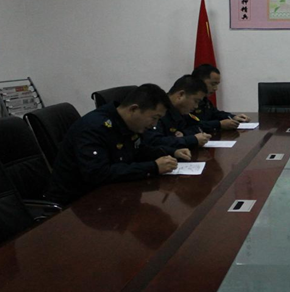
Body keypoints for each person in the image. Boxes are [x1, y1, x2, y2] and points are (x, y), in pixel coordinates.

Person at [45, 84, 192, 205]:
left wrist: (171, 152)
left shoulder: (127, 123)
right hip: (75, 204)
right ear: (133, 109)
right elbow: (98, 174)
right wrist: (153, 167)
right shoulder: (94, 128)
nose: (155, 124)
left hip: (109, 193)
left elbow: (137, 150)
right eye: (154, 118)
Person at [144, 75, 212, 149]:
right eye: (196, 101)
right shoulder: (157, 110)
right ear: (181, 95)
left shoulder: (181, 110)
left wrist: (184, 133)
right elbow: (155, 141)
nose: (196, 106)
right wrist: (191, 140)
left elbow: (198, 127)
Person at [189, 64, 250, 132]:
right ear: (199, 82)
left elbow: (215, 113)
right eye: (213, 84)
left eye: (217, 84)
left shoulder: (205, 100)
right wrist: (219, 124)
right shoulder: (188, 101)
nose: (216, 88)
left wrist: (233, 117)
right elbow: (193, 125)